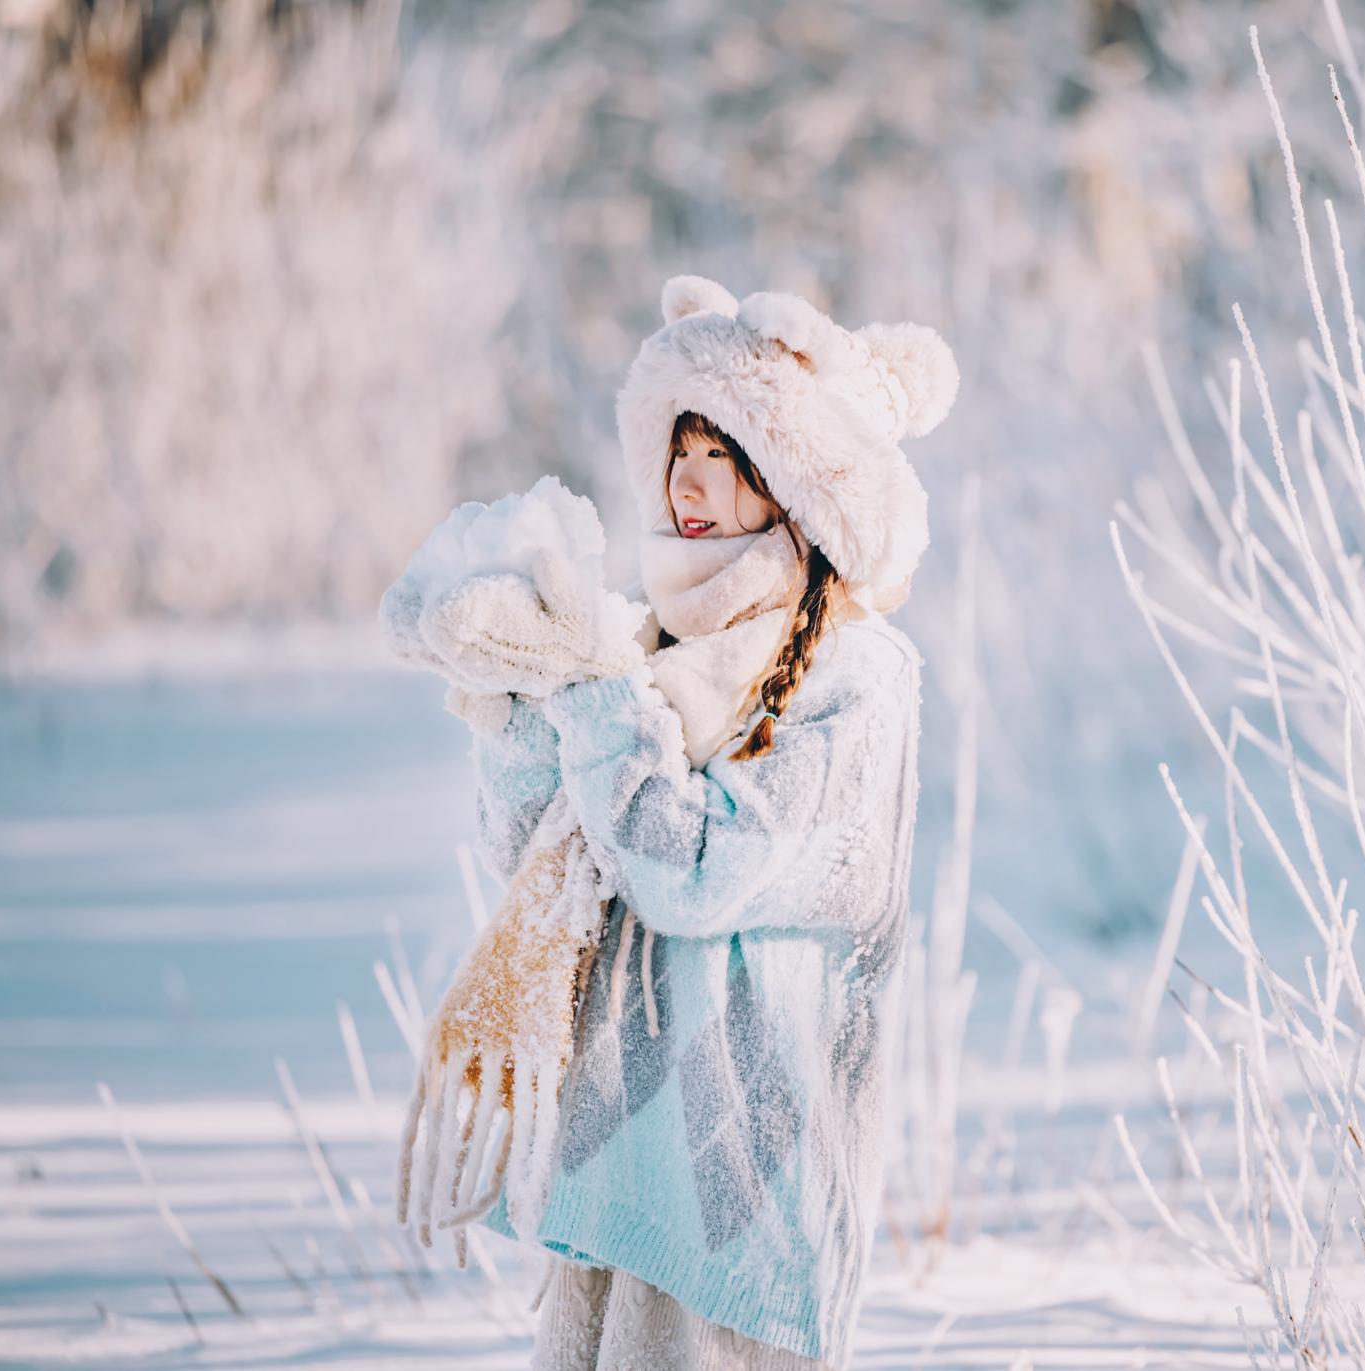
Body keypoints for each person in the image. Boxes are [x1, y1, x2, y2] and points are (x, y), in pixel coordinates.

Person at [408, 275, 959, 1371]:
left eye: (729, 460)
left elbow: (695, 872)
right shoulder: (657, 647)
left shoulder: (852, 678)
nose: (691, 483)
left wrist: (601, 701)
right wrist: (519, 708)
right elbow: (543, 856)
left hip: (736, 1177)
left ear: (793, 487)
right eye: (680, 452)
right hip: (618, 1159)